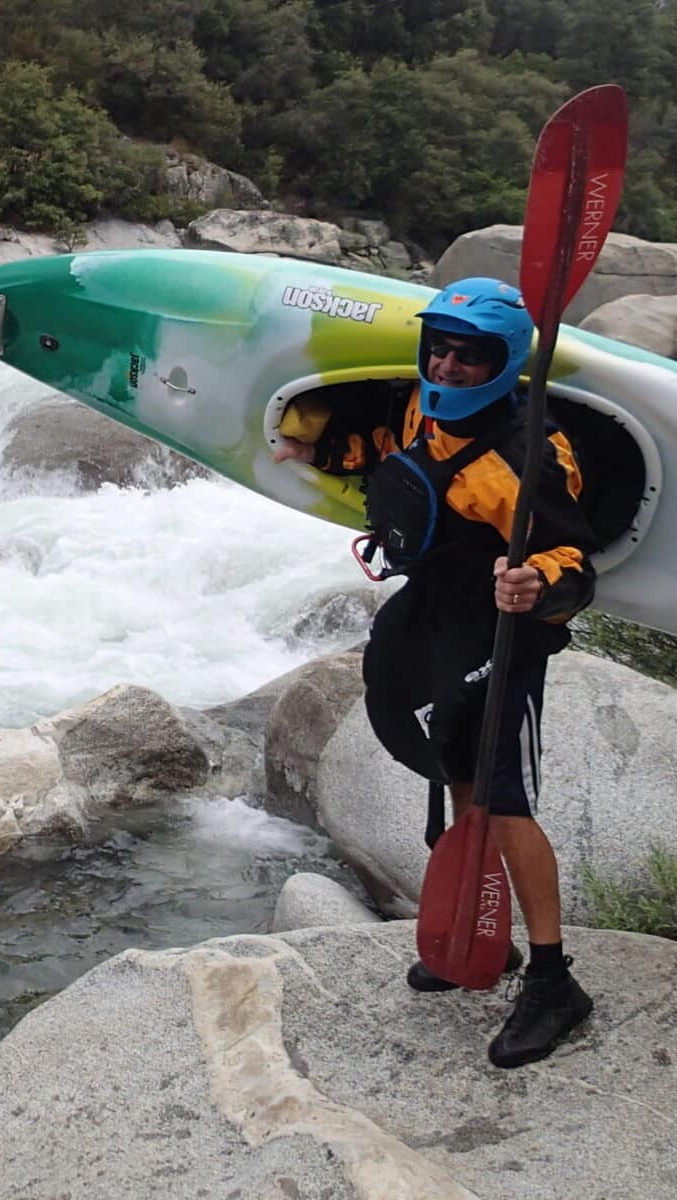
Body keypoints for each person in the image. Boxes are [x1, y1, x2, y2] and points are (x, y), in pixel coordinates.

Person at [274, 276, 597, 1068]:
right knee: (440, 745)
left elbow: (578, 563)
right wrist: (317, 448)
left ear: (503, 362)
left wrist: (538, 585)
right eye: (440, 349)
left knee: (502, 796)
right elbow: (396, 450)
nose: (449, 366)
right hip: (439, 606)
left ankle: (555, 982)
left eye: (469, 355)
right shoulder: (423, 403)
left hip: (504, 625)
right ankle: (482, 934)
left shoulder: (531, 458)